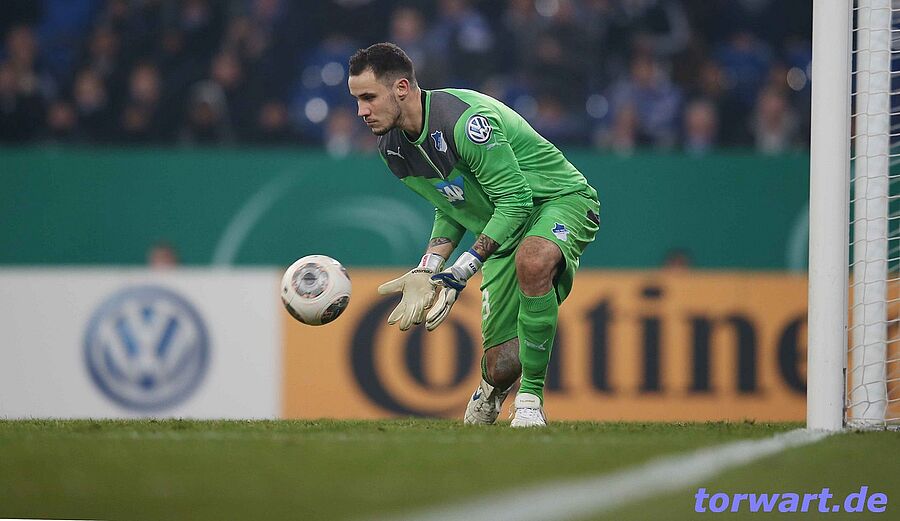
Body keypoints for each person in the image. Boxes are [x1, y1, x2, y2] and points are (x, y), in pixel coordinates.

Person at [348, 43, 600, 427]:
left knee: (533, 260)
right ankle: (492, 389)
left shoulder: (465, 122)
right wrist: (429, 267)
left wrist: (464, 267)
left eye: (368, 98)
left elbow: (516, 199)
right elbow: (453, 204)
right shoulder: (393, 150)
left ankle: (530, 401)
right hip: (501, 228)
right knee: (501, 365)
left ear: (401, 88)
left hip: (557, 200)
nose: (361, 111)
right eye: (357, 100)